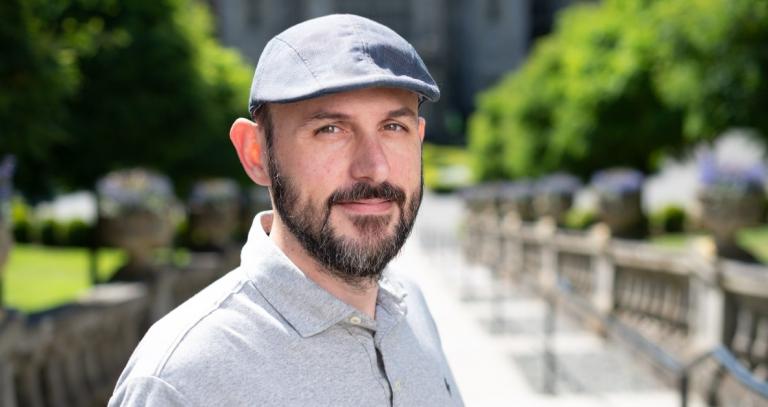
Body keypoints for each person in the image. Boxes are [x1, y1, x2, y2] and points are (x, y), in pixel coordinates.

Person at [109, 14, 462, 406]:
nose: (374, 167)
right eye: (330, 129)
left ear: (420, 139)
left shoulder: (411, 309)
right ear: (256, 153)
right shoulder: (183, 380)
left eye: (394, 128)